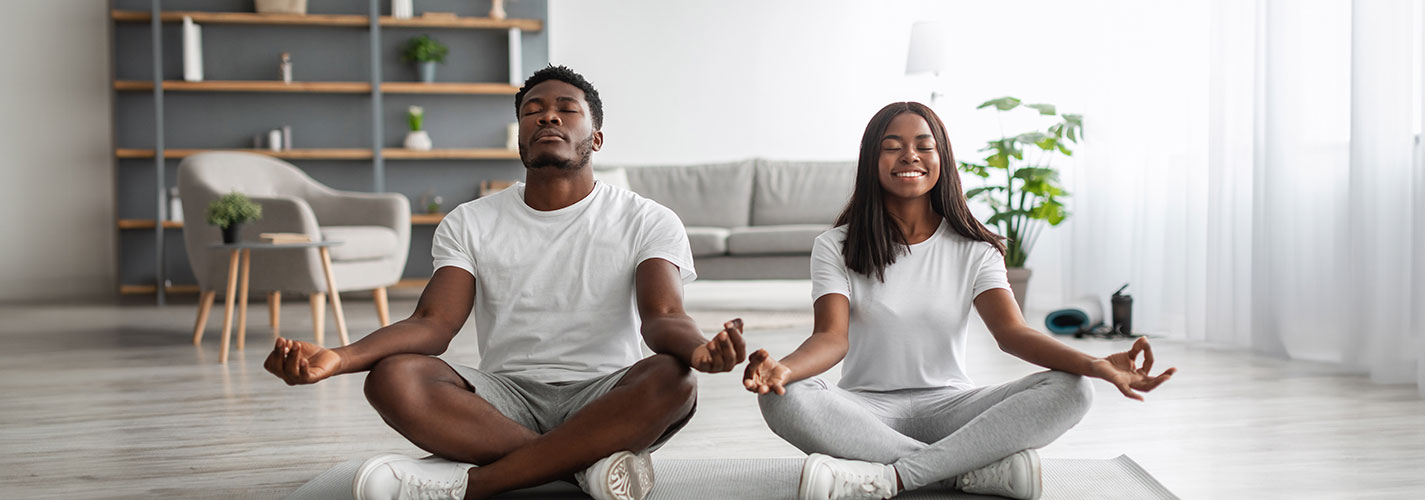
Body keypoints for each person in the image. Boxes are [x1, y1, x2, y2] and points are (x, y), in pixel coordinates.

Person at [264, 65, 749, 500]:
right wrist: (339, 358)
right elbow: (433, 323)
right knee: (393, 377)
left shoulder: (648, 219)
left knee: (674, 377)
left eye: (566, 109)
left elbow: (663, 317)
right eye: (533, 111)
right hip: (502, 399)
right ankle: (588, 468)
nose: (548, 118)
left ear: (595, 138)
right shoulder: (469, 221)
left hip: (608, 395)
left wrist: (700, 350)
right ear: (519, 139)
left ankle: (476, 485)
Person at [742, 102, 1176, 500]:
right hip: (864, 411)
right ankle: (967, 469)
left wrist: (1093, 365)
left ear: (941, 159)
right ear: (871, 163)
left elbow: (1012, 333)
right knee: (782, 396)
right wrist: (783, 369)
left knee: (1073, 388)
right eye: (892, 147)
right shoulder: (835, 245)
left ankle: (892, 476)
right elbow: (831, 339)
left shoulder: (976, 248)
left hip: (952, 406)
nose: (910, 156)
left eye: (923, 146)